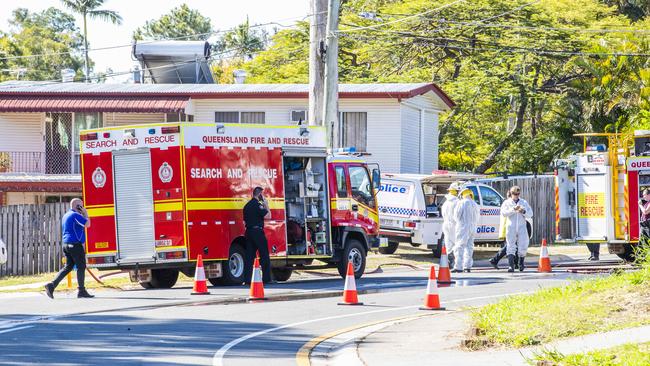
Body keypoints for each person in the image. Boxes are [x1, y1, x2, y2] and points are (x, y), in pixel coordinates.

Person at [45, 198, 93, 298]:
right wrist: (85, 213)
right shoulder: (75, 215)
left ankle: (52, 285)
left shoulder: (66, 215)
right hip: (75, 244)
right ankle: (81, 290)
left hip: (66, 244)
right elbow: (88, 224)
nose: (83, 207)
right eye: (81, 206)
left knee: (68, 267)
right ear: (78, 206)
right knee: (81, 266)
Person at [243, 186, 273, 284]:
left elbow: (244, 221)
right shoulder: (258, 205)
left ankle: (247, 280)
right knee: (264, 255)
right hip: (257, 232)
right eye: (262, 195)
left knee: (249, 257)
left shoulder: (246, 206)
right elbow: (268, 216)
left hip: (248, 232)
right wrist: (266, 205)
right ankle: (267, 279)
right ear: (259, 194)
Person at [501, 186, 533, 272]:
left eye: (518, 194)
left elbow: (530, 213)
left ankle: (521, 264)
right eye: (515, 194)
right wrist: (513, 210)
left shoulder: (523, 202)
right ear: (511, 194)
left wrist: (524, 212)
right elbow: (503, 213)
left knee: (523, 244)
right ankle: (511, 266)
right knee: (510, 245)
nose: (516, 196)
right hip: (511, 226)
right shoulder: (507, 203)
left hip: (522, 226)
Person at [452, 187, 480, 273]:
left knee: (459, 246)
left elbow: (456, 216)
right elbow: (477, 217)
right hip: (473, 227)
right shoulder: (475, 204)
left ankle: (458, 266)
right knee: (469, 247)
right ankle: (467, 266)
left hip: (463, 227)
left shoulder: (461, 203)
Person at [441, 182, 460, 267]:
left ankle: (448, 263)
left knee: (448, 244)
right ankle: (456, 264)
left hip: (446, 224)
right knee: (457, 244)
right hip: (454, 225)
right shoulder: (457, 202)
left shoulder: (446, 202)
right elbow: (458, 215)